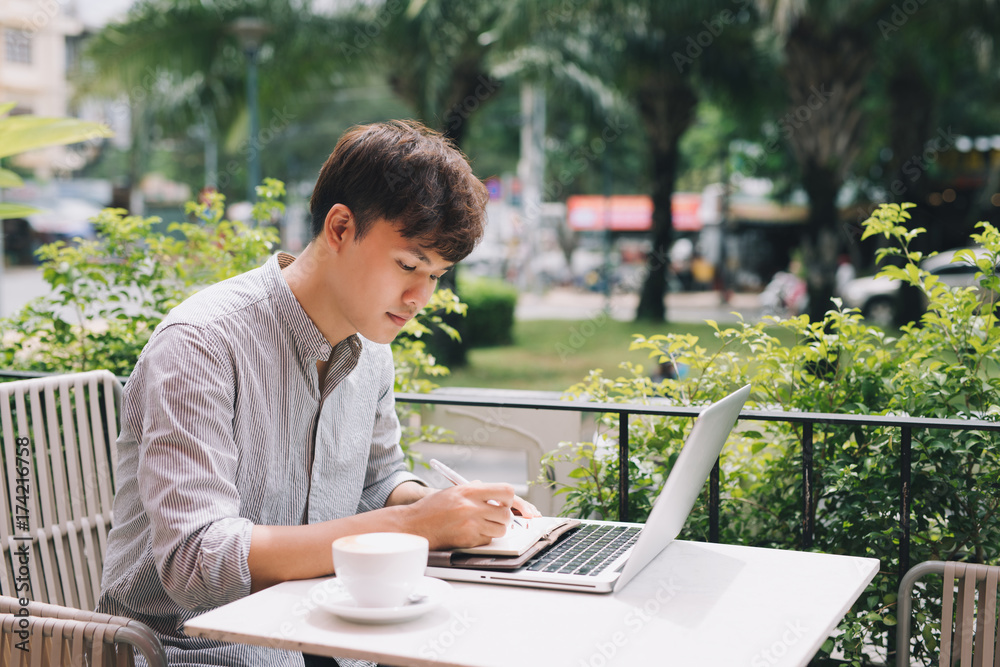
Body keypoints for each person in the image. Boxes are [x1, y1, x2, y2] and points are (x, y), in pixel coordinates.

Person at [96, 120, 539, 667]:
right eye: (408, 265)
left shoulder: (370, 348)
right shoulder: (201, 344)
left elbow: (379, 478)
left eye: (438, 275)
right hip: (192, 651)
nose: (420, 295)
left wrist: (439, 507)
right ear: (339, 227)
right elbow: (198, 562)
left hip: (328, 634)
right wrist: (412, 527)